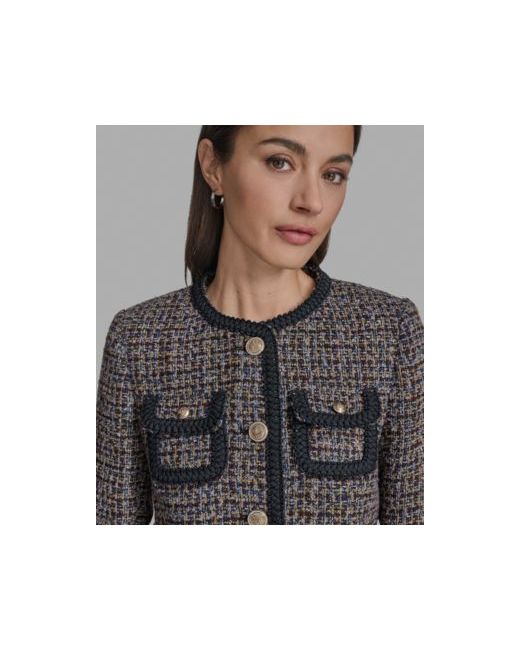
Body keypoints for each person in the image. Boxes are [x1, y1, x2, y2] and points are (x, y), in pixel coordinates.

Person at [96, 125, 424, 525]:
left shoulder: (388, 333)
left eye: (333, 174)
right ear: (213, 166)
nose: (312, 202)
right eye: (280, 162)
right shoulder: (140, 341)